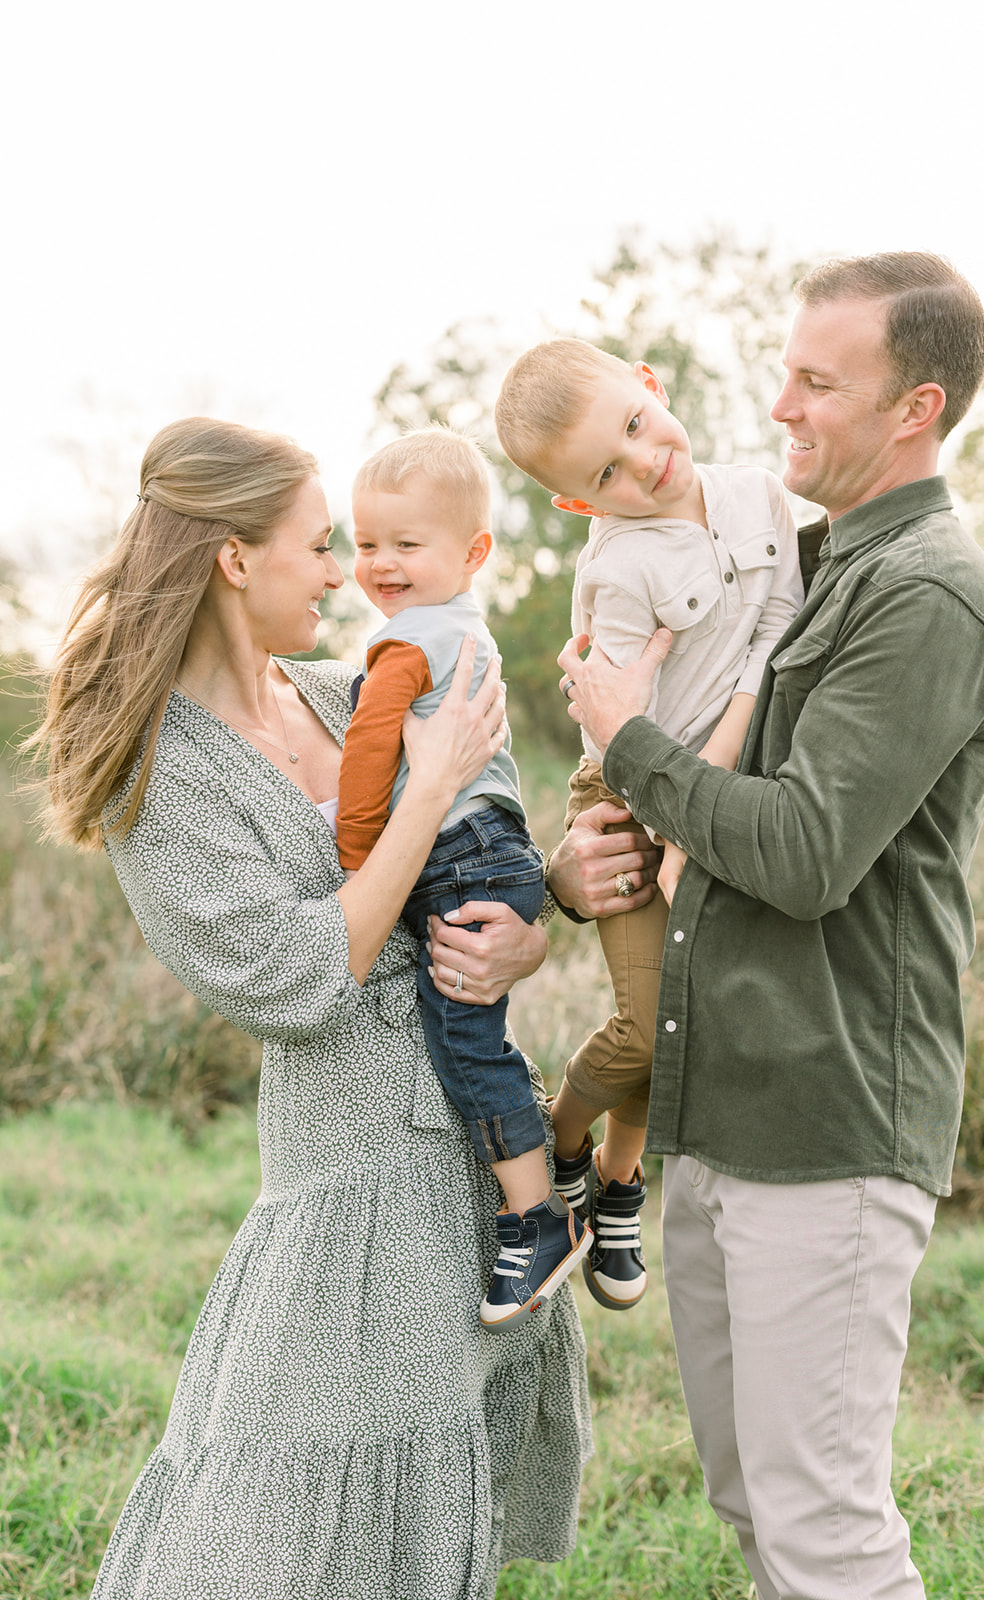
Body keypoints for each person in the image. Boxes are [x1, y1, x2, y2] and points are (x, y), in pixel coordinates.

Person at [444, 252, 984, 1600]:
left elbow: (806, 853)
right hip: (719, 1106)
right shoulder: (807, 557)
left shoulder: (922, 591)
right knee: (758, 1509)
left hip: (822, 1118)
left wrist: (627, 744)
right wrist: (591, 856)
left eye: (818, 384)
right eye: (783, 375)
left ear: (913, 408)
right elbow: (701, 813)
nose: (778, 407)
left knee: (822, 1530)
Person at [31, 417, 592, 1600]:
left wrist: (534, 929)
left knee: (436, 1488)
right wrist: (420, 791)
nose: (347, 574)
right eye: (321, 545)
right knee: (278, 1493)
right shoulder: (159, 770)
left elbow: (480, 863)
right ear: (237, 558)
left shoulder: (354, 694)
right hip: (345, 1163)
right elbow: (290, 979)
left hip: (473, 1141)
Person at [493, 340, 803, 1313]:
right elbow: (621, 725)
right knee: (649, 1024)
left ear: (652, 385)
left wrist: (698, 814)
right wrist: (666, 828)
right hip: (625, 801)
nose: (643, 463)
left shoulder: (759, 494)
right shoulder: (618, 574)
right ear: (579, 504)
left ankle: (618, 1180)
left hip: (700, 795)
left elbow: (778, 626)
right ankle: (570, 1147)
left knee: (682, 1017)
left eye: (635, 424)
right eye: (605, 475)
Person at [337, 426, 591, 1331]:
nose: (380, 564)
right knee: (477, 1034)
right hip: (498, 850)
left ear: (474, 551)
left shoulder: (405, 646)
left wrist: (358, 853)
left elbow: (371, 754)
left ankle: (539, 1215)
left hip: (456, 858)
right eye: (366, 543)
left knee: (466, 1043)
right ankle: (553, 1163)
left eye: (407, 545)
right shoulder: (466, 629)